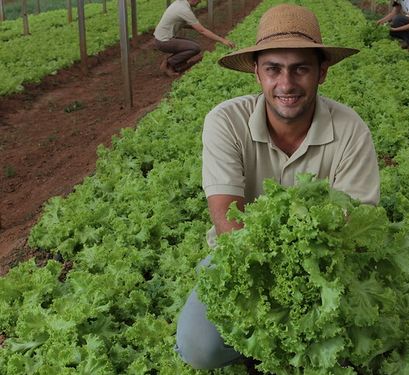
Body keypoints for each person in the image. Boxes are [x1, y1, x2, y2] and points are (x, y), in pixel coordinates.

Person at [174, 3, 381, 370]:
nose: (286, 84)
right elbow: (227, 219)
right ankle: (267, 342)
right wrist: (270, 297)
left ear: (322, 72)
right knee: (200, 349)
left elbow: (355, 228)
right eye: (273, 69)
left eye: (300, 69)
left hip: (327, 268)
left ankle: (282, 342)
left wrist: (303, 288)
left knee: (354, 338)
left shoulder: (351, 130)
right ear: (256, 73)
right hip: (240, 259)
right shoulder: (226, 122)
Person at [154, 0, 235, 77]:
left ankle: (178, 63)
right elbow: (202, 31)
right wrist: (223, 40)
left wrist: (198, 27)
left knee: (191, 44)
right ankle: (169, 63)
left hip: (162, 38)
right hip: (164, 41)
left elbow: (183, 23)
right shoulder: (184, 9)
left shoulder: (180, 3)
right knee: (194, 48)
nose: (199, 2)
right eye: (199, 0)